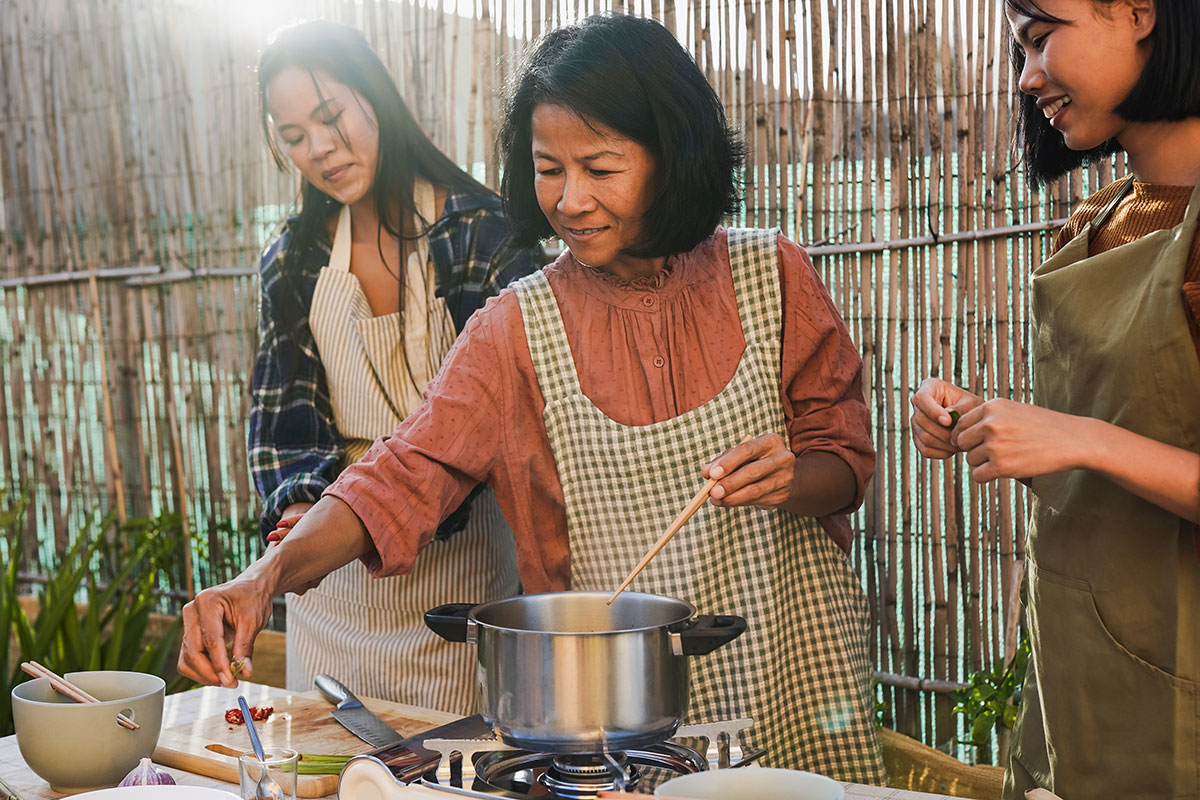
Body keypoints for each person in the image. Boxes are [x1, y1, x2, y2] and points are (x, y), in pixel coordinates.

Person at [183, 14, 885, 782]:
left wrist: (793, 476)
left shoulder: (773, 276)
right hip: (618, 726)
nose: (570, 200)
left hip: (796, 678)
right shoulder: (516, 328)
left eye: (601, 167)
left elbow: (846, 461)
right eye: (549, 169)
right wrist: (262, 579)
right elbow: (399, 474)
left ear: (671, 154)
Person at [910, 1, 1200, 796]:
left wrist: (1081, 441)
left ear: (1141, 12)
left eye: (1042, 39)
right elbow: (1128, 415)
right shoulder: (1098, 221)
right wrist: (983, 420)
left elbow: (1097, 437)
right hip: (1079, 670)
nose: (1029, 77)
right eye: (1020, 49)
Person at [246, 20, 538, 714]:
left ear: (374, 97)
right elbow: (283, 423)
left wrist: (372, 513)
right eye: (293, 137)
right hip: (331, 592)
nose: (318, 149)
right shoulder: (293, 259)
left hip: (460, 590)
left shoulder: (485, 235)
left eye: (330, 116)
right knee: (329, 770)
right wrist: (298, 519)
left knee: (455, 774)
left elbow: (505, 424)